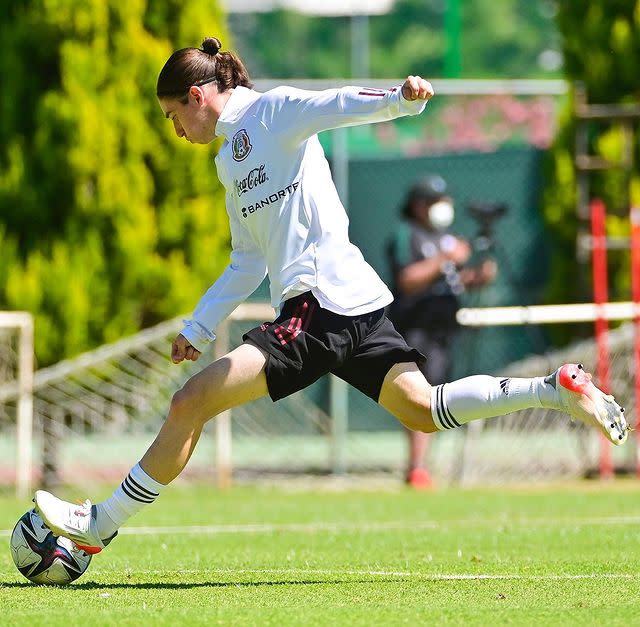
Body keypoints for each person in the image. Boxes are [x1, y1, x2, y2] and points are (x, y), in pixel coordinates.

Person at [34, 37, 628, 554]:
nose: (176, 130)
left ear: (197, 97)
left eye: (172, 115)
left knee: (191, 402)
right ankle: (553, 390)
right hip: (354, 306)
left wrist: (399, 100)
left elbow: (336, 103)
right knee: (423, 410)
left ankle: (97, 525)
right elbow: (246, 258)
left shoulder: (271, 112)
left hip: (318, 306)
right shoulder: (229, 163)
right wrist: (197, 326)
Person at [387, 175, 497, 489]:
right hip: (416, 327)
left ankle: (423, 467)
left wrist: (476, 276)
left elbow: (451, 281)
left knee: (435, 394)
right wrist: (445, 259)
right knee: (420, 394)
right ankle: (417, 467)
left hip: (443, 330)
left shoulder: (444, 237)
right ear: (419, 205)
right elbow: (407, 279)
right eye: (434, 201)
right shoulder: (407, 235)